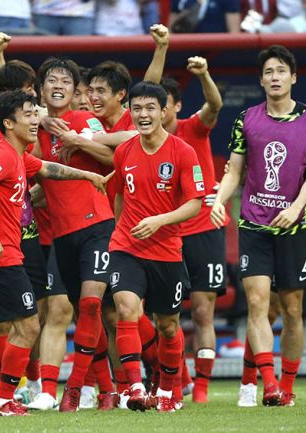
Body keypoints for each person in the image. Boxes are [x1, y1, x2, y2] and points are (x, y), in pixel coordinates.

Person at [0, 90, 107, 416]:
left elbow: (49, 170)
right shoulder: (1, 155)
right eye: (29, 114)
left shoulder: (18, 155)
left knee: (8, 326)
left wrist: (88, 175)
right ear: (8, 122)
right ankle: (1, 398)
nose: (35, 119)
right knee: (28, 327)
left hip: (0, 251)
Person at [212, 45, 306, 407]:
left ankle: (288, 386)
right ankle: (268, 383)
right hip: (254, 225)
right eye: (269, 72)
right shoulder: (246, 119)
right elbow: (234, 171)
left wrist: (295, 208)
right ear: (261, 80)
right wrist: (217, 201)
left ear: (293, 77)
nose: (275, 77)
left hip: (294, 228)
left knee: (292, 309)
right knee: (257, 304)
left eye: (281, 71)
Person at [110, 81, 204, 413]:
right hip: (127, 247)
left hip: (166, 250)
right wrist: (121, 231)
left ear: (164, 111)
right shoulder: (124, 151)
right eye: (137, 108)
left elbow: (195, 203)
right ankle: (135, 388)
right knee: (126, 309)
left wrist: (160, 221)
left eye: (150, 108)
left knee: (167, 325)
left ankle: (167, 388)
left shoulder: (183, 151)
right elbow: (120, 196)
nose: (143, 114)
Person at [144, 28, 226, 403]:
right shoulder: (141, 140)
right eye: (150, 107)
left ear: (175, 108)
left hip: (204, 229)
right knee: (161, 316)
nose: (156, 112)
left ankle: (202, 390)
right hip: (164, 236)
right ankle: (176, 380)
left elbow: (215, 105)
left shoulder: (195, 128)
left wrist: (204, 74)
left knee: (204, 311)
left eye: (165, 105)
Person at [31, 57, 115, 412]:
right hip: (59, 234)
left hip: (96, 225)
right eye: (52, 80)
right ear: (42, 89)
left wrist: (74, 140)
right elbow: (30, 168)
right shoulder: (35, 128)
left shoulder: (84, 120)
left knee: (93, 306)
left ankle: (74, 390)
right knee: (68, 315)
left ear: (75, 90)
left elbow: (112, 158)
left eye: (66, 80)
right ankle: (63, 391)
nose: (59, 85)